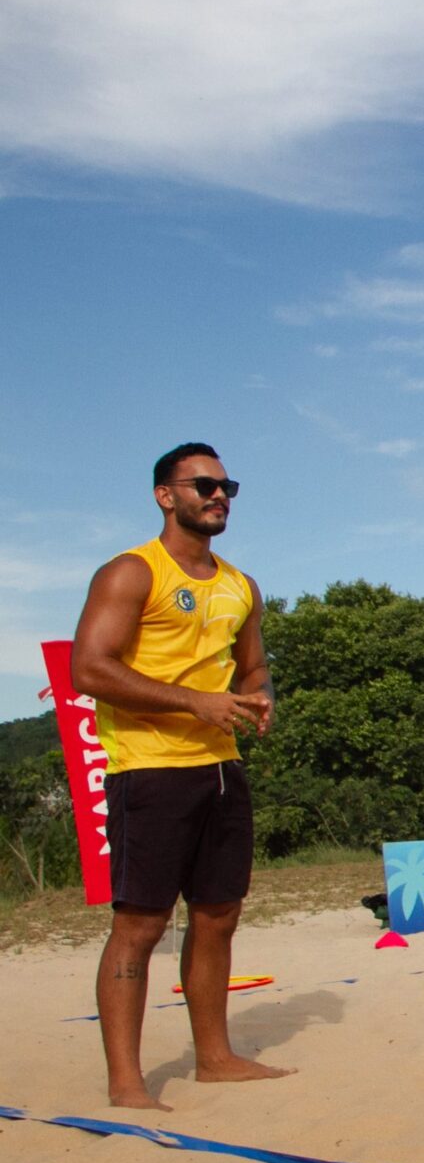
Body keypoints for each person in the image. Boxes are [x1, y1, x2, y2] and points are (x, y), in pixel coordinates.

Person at [71, 442, 292, 1109]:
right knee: (140, 925)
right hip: (150, 770)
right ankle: (126, 1081)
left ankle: (216, 1058)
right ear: (166, 495)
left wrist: (260, 697)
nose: (218, 494)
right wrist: (196, 700)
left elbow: (252, 667)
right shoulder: (131, 572)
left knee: (219, 916)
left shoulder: (240, 585)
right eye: (203, 484)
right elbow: (89, 669)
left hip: (220, 769)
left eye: (227, 485)